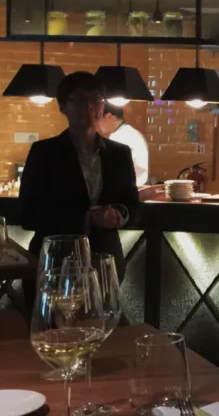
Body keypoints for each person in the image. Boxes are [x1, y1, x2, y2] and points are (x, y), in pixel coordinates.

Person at [20, 72, 140, 277]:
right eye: (81, 99)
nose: (90, 106)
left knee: (105, 310)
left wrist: (119, 213)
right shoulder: (44, 152)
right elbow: (27, 214)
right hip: (55, 262)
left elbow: (132, 205)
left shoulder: (119, 153)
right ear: (63, 106)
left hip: (104, 263)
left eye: (97, 98)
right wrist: (85, 219)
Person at [97, 103, 149, 186]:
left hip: (127, 188)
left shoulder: (119, 138)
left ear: (108, 116)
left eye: (98, 118)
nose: (96, 124)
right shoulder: (132, 133)